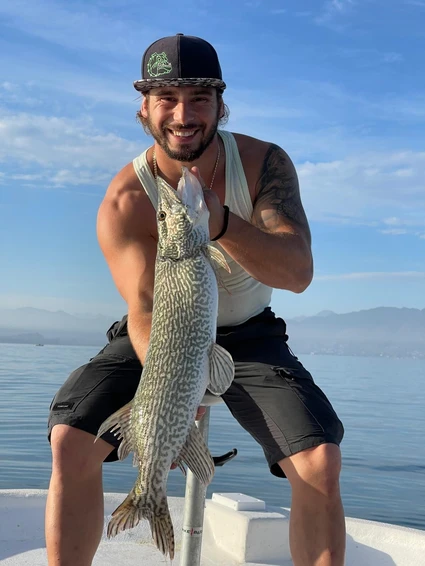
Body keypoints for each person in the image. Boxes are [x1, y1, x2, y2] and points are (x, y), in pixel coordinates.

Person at [46, 33, 345, 566]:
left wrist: (222, 220)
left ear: (221, 104)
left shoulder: (262, 165)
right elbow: (143, 308)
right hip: (163, 337)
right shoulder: (126, 201)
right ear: (144, 107)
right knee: (70, 441)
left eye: (199, 99)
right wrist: (173, 392)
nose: (183, 115)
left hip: (250, 333)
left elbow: (298, 272)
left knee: (319, 460)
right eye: (167, 98)